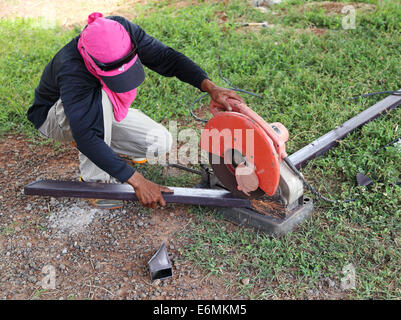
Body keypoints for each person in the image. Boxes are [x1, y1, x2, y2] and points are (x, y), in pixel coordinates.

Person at [27, 12, 243, 209]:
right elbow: (87, 137)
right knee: (96, 106)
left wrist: (211, 88)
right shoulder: (72, 70)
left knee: (159, 142)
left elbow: (167, 58)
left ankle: (105, 149)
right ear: (92, 62)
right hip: (53, 117)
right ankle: (96, 183)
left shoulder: (122, 30)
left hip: (96, 107)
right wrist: (138, 182)